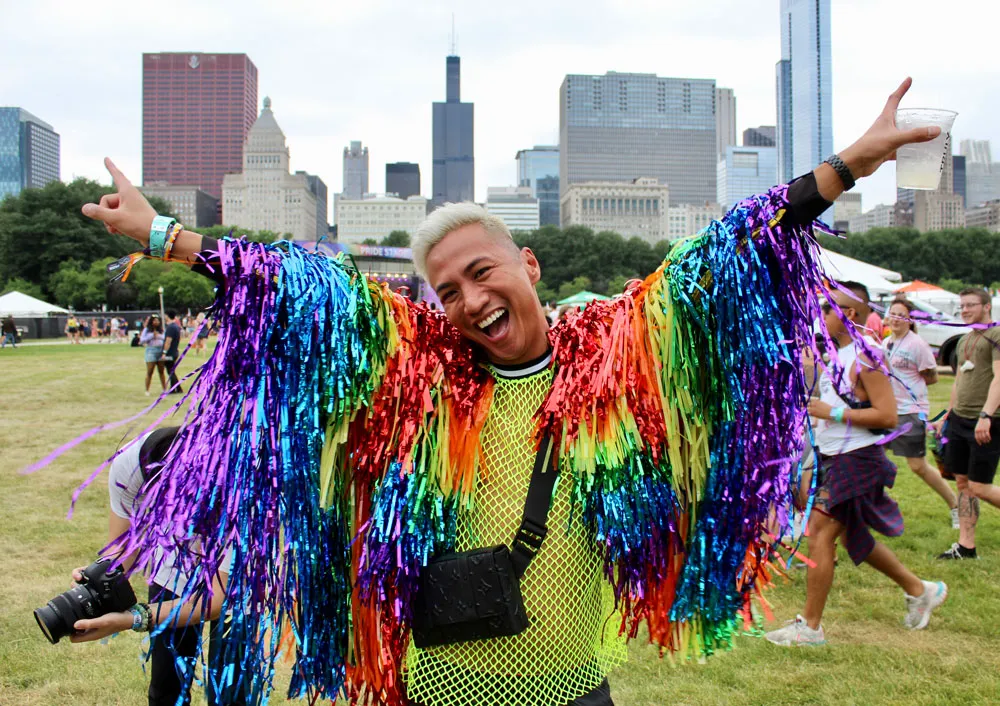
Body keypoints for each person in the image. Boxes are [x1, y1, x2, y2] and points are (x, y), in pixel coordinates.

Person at [79, 79, 942, 706]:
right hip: (434, 686)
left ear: (527, 264)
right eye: (447, 291)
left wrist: (848, 164)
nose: (470, 300)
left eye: (482, 272)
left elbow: (722, 258)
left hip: (572, 688)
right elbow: (306, 291)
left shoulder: (615, 347)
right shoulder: (420, 368)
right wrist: (166, 236)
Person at [765, 282, 947, 648]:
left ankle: (810, 628)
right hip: (834, 456)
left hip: (857, 458)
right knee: (852, 537)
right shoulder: (837, 354)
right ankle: (920, 589)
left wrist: (830, 412)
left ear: (848, 313)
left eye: (827, 309)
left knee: (820, 533)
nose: (820, 314)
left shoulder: (867, 355)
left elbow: (888, 416)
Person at [69, 428, 246, 706]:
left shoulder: (244, 492)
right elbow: (122, 547)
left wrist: (134, 618)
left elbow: (214, 602)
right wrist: (100, 578)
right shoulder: (130, 467)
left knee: (230, 689)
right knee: (165, 687)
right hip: (170, 566)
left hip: (238, 573)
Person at [932, 288, 1000, 560]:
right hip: (959, 420)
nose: (965, 310)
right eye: (962, 306)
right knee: (963, 483)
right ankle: (965, 547)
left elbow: (999, 378)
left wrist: (986, 415)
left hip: (987, 421)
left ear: (986, 307)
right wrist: (947, 416)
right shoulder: (964, 340)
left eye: (971, 305)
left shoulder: (996, 335)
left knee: (980, 486)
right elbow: (959, 381)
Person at [884, 298, 958, 527]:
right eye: (893, 314)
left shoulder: (917, 344)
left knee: (918, 466)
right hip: (887, 410)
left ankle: (955, 505)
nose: (896, 319)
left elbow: (932, 377)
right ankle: (874, 509)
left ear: (910, 319)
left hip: (911, 411)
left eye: (901, 315)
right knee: (874, 460)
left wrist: (910, 390)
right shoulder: (885, 343)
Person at [140, 315, 167, 396]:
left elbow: (165, 338)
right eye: (155, 320)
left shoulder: (161, 330)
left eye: (158, 320)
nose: (156, 322)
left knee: (161, 371)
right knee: (150, 371)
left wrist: (158, 336)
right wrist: (152, 335)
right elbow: (142, 340)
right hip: (151, 351)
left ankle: (164, 389)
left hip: (160, 350)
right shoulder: (147, 330)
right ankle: (147, 390)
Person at [161, 310, 184, 394]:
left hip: (170, 353)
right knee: (171, 370)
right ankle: (177, 388)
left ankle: (174, 388)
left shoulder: (170, 327)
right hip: (174, 351)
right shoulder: (176, 326)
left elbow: (168, 341)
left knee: (170, 371)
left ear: (167, 316)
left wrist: (164, 352)